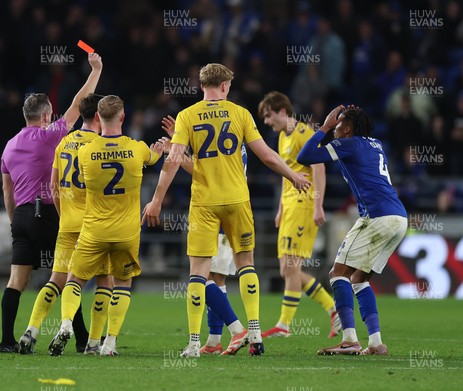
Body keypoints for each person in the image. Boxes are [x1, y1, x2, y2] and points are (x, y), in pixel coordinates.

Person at [142, 63, 311, 358]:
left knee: (199, 273)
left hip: (205, 203)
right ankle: (254, 333)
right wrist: (293, 175)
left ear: (202, 86)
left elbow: (173, 162)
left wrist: (157, 199)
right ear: (224, 86)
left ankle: (195, 343)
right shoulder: (240, 114)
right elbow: (268, 156)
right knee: (246, 265)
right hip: (237, 200)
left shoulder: (188, 116)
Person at [0, 53, 102, 353]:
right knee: (70, 275)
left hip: (20, 216)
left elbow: (7, 192)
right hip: (48, 214)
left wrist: (13, 221)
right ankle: (83, 340)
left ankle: (7, 340)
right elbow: (79, 105)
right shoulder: (48, 136)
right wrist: (95, 71)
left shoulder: (9, 146)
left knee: (17, 278)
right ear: (45, 116)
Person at [48, 95, 163, 356]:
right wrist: (162, 147)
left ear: (98, 118)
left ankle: (66, 322)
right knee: (121, 284)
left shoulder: (86, 151)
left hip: (94, 229)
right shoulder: (137, 148)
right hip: (126, 231)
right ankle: (107, 343)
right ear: (122, 117)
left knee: (74, 281)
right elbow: (154, 157)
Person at [297, 105, 408, 356]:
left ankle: (349, 340)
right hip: (398, 217)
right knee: (359, 279)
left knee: (338, 274)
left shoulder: (349, 144)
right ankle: (376, 343)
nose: (335, 127)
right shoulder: (376, 144)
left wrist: (323, 127)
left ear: (347, 128)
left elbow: (304, 157)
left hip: (377, 216)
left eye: (338, 124)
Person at [18, 93, 113, 354]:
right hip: (94, 225)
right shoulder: (100, 144)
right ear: (98, 116)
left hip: (67, 223)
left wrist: (63, 214)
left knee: (56, 279)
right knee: (105, 280)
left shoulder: (64, 142)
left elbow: (52, 186)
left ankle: (31, 329)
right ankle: (92, 343)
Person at [160, 116, 249, 356]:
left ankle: (238, 329)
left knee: (204, 277)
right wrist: (180, 141)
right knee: (217, 280)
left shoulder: (217, 146)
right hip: (231, 213)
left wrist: (174, 149)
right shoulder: (235, 142)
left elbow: (201, 172)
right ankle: (213, 341)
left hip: (215, 215)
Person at [257, 91, 341, 339]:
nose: (266, 121)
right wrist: (281, 208)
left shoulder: (303, 133)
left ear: (282, 111)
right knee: (287, 269)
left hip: (304, 204)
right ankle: (333, 310)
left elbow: (319, 167)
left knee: (291, 267)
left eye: (268, 115)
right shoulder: (283, 137)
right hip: (290, 206)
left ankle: (284, 325)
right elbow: (287, 173)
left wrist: (318, 205)